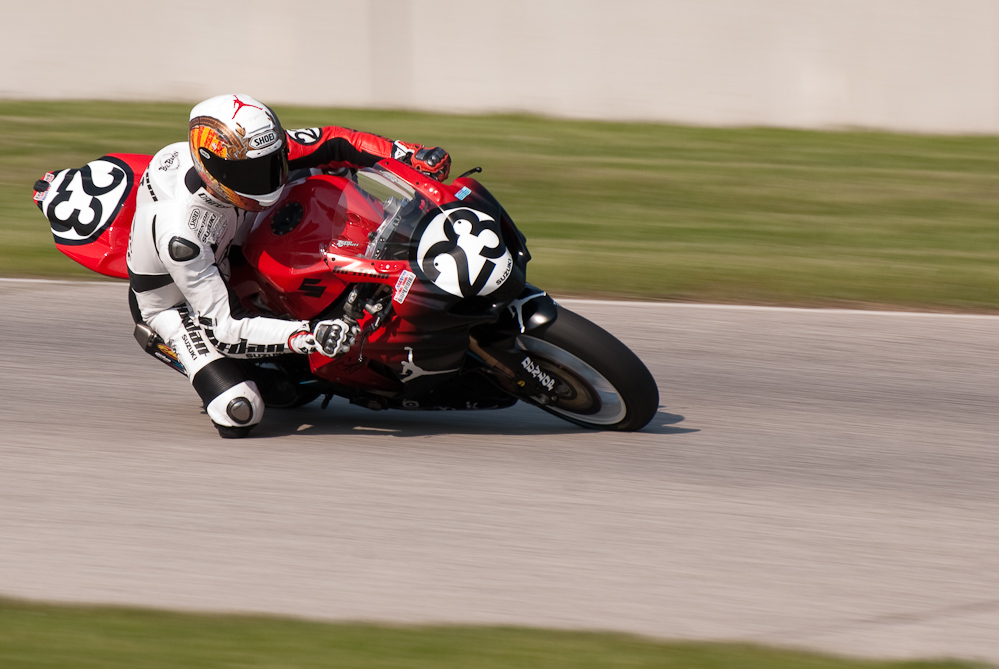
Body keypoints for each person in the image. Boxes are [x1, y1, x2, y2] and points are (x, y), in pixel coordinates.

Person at [126, 93, 451, 438]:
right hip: (184, 304)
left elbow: (334, 140)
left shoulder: (252, 147)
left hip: (237, 240)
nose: (270, 178)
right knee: (241, 410)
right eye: (253, 173)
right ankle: (176, 346)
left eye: (273, 162)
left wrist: (406, 153)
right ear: (214, 169)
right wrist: (309, 337)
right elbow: (224, 327)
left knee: (322, 166)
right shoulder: (183, 236)